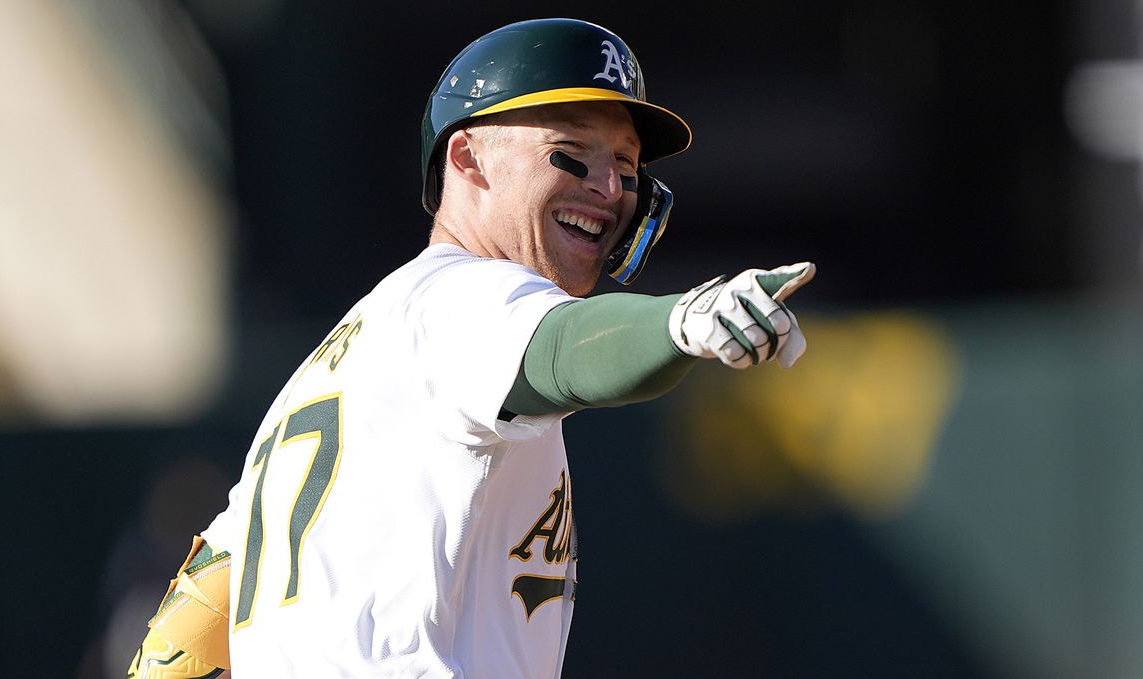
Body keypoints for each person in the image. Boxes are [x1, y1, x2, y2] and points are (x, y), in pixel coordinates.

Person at [126, 17, 815, 679]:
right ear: (467, 158)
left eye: (627, 165)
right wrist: (679, 323)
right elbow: (561, 354)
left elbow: (192, 620)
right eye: (570, 150)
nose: (609, 189)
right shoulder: (460, 303)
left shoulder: (343, 360)